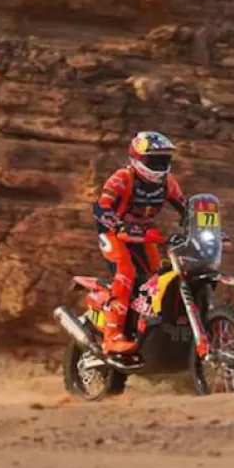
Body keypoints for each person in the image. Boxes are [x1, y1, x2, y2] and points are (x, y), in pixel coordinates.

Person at [92, 130, 186, 355]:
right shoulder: (122, 178)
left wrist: (206, 227)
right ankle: (112, 337)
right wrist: (116, 223)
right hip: (114, 234)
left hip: (143, 234)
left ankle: (145, 326)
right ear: (139, 159)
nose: (160, 164)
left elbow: (187, 207)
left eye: (164, 159)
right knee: (125, 272)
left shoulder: (169, 183)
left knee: (157, 278)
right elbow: (100, 207)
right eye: (154, 160)